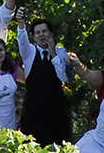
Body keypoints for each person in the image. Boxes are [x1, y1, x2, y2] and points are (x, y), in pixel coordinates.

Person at [15, 9, 72, 145]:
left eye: (44, 31)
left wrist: (52, 53)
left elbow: (63, 78)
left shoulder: (61, 52)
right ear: (34, 37)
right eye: (38, 33)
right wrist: (21, 23)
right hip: (34, 109)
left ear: (50, 33)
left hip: (57, 110)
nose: (42, 35)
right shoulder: (29, 52)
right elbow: (22, 40)